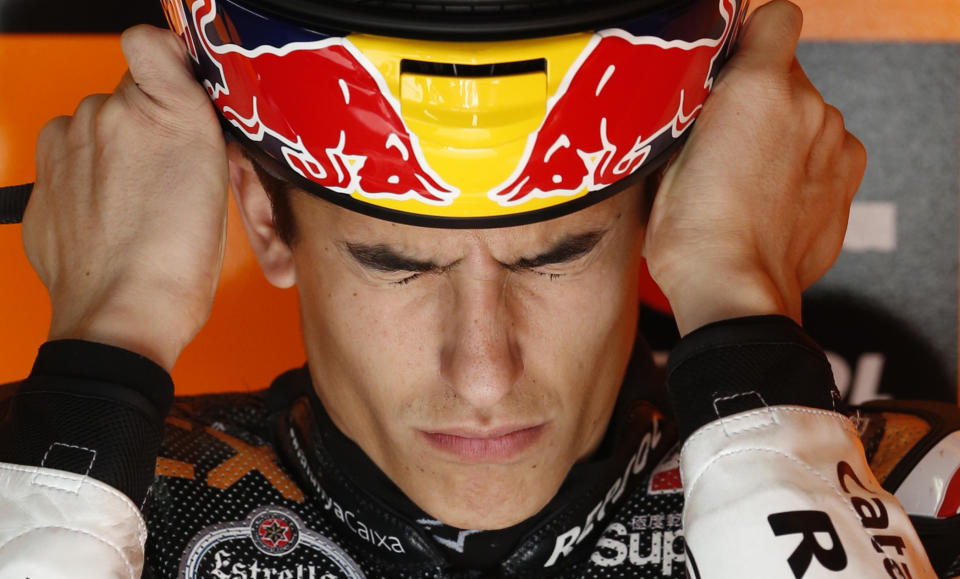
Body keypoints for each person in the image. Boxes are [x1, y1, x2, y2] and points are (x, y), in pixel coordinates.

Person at [0, 0, 957, 576]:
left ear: (671, 215)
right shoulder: (60, 469)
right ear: (261, 215)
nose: (485, 370)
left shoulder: (918, 484)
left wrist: (744, 319)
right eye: (394, 262)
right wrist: (100, 359)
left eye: (558, 253)